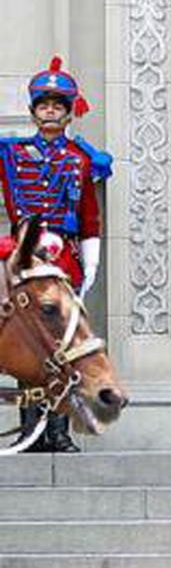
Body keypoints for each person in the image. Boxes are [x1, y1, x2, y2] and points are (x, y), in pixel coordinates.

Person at [0, 56, 113, 453]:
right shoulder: (10, 154)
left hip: (63, 259)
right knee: (27, 343)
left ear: (68, 114)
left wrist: (90, 264)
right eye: (44, 105)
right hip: (25, 255)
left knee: (64, 347)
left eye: (58, 106)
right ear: (33, 112)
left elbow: (89, 218)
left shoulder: (81, 161)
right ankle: (30, 430)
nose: (50, 111)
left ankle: (59, 431)